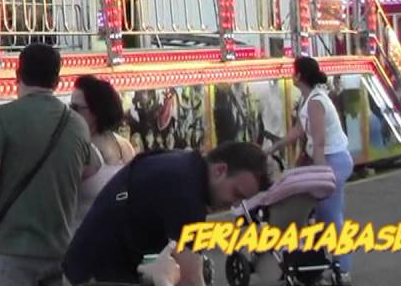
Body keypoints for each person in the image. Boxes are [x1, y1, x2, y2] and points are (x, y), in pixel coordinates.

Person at [0, 42, 96, 286]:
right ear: (57, 81)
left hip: (10, 256)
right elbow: (84, 179)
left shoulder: (2, 119)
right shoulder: (78, 125)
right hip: (60, 254)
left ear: (18, 76)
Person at [62, 141, 270, 286]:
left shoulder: (184, 166)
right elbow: (191, 276)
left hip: (97, 265)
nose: (234, 204)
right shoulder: (185, 190)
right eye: (236, 193)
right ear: (220, 170)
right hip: (95, 274)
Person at [264, 56, 354, 280]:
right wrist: (273, 148)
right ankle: (330, 265)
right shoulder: (309, 100)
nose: (291, 75)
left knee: (330, 216)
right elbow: (298, 131)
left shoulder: (315, 102)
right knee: (326, 216)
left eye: (294, 72)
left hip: (333, 160)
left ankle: (343, 269)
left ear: (300, 76)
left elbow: (320, 141)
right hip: (330, 159)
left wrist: (320, 175)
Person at [71, 75, 135, 225]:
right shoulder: (125, 145)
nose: (70, 113)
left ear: (96, 111)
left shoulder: (82, 151)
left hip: (84, 239)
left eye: (75, 108)